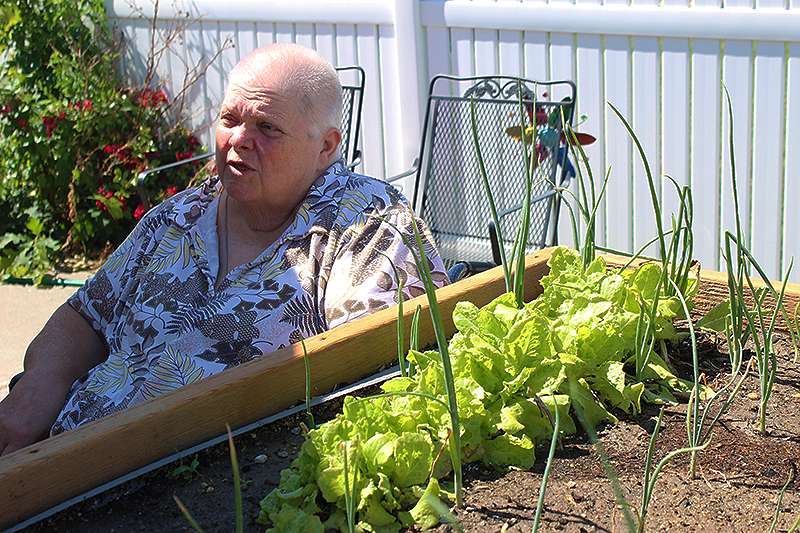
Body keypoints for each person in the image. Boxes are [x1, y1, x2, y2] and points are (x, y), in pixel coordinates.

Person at [0, 44, 447, 456]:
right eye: (230, 120)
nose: (238, 140)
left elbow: (373, 370)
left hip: (208, 486)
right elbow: (87, 316)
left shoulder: (365, 226)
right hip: (63, 460)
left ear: (326, 146)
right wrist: (34, 393)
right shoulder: (179, 216)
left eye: (267, 128)